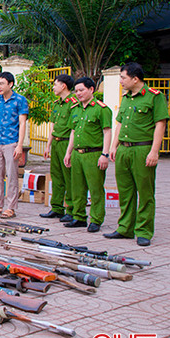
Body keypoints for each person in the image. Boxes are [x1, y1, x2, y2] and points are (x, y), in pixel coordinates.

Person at [105, 62, 168, 246]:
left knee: (145, 192)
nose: (121, 82)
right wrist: (114, 146)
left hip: (142, 149)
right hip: (124, 149)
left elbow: (160, 124)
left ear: (135, 78)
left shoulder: (154, 97)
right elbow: (119, 124)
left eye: (123, 78)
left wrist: (154, 151)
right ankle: (125, 228)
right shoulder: (126, 98)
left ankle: (144, 231)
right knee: (125, 191)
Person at [62, 77, 111, 232]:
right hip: (77, 153)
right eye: (76, 91)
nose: (78, 93)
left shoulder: (101, 109)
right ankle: (79, 216)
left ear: (91, 89)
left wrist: (105, 154)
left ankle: (96, 219)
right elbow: (73, 132)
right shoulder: (75, 109)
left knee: (95, 188)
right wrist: (68, 152)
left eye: (81, 90)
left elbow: (107, 132)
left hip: (93, 154)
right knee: (77, 188)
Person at [0, 72, 29, 219]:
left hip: (11, 143)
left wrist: (20, 145)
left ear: (10, 84)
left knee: (12, 175)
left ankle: (11, 207)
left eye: (2, 84)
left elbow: (22, 123)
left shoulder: (20, 100)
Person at [40, 74, 77, 221]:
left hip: (67, 142)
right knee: (56, 176)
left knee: (69, 177)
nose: (53, 87)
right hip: (55, 142)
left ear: (64, 86)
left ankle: (71, 209)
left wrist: (69, 149)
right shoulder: (56, 104)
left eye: (55, 84)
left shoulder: (73, 104)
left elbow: (74, 128)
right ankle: (56, 207)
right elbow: (53, 126)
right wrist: (48, 145)